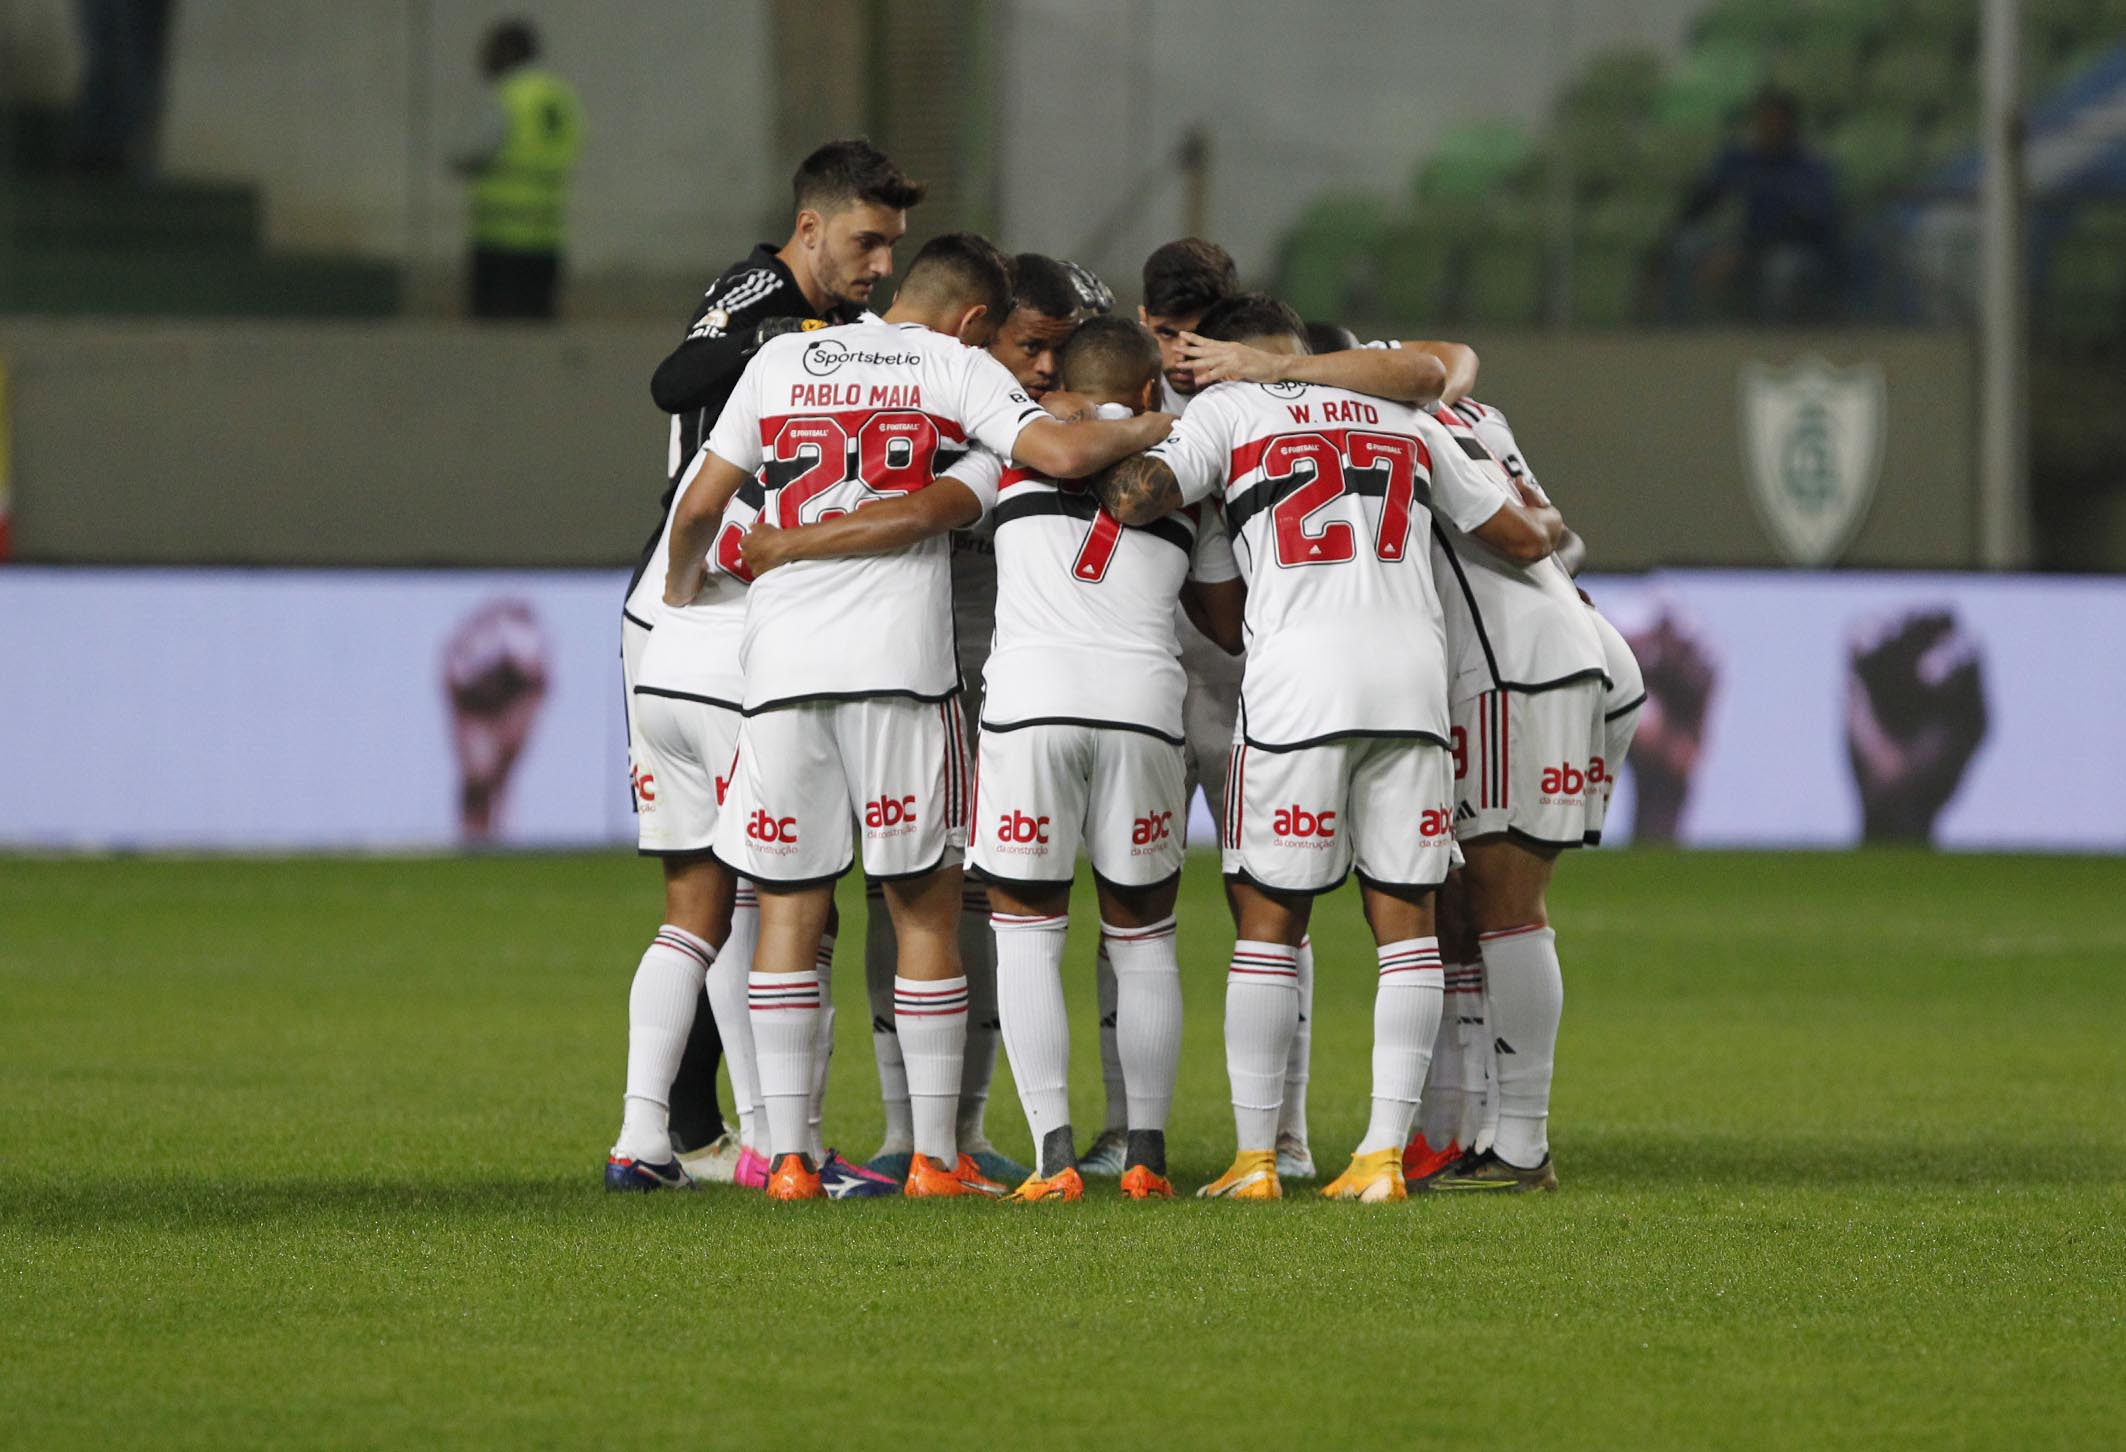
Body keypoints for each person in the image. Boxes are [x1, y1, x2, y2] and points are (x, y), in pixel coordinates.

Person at [665, 233, 1172, 1201]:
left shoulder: (781, 355)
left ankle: (790, 1160)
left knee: (787, 909)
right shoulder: (951, 368)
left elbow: (698, 502)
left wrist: (696, 586)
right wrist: (1157, 426)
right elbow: (1048, 456)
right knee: (925, 903)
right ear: (978, 319)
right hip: (900, 668)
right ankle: (937, 1154)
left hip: (779, 670)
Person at [1095, 293, 1564, 1202]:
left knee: (1270, 923)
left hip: (1297, 693)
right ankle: (1383, 1156)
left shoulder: (1228, 411)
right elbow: (1513, 532)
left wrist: (1142, 445)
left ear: (1229, 350)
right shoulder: (1401, 413)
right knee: (1406, 925)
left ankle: (1257, 1159)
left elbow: (1136, 497)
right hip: (1411, 691)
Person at [618, 138, 924, 1187]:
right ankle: (770, 1142)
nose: (878, 265)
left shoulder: (857, 333)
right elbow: (676, 379)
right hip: (705, 603)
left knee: (717, 898)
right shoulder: (761, 289)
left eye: (891, 248)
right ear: (809, 228)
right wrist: (800, 338)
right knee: (770, 889)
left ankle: (665, 1134)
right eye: (865, 241)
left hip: (745, 606)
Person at [860, 252, 1098, 1185]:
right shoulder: (922, 403)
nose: (1045, 370)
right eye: (1032, 347)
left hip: (1007, 682)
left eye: (1060, 353)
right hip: (917, 672)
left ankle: (963, 1125)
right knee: (905, 887)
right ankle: (903, 1128)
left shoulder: (1036, 422)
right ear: (982, 330)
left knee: (984, 893)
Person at [1395, 397, 1613, 1193]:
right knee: (1473, 901)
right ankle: (1488, 1127)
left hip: (1513, 672)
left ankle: (1520, 1142)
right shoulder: (1461, 416)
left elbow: (1529, 535)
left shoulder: (1407, 426)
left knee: (1506, 902)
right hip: (1547, 658)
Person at [1671, 87, 1840, 324]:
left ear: (1790, 125)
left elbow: (1804, 223)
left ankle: (1769, 336)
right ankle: (1681, 325)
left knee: (1781, 269)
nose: (1766, 127)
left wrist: (1743, 252)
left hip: (1795, 248)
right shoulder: (1743, 159)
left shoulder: (1809, 167)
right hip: (1745, 243)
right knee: (1687, 244)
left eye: (1773, 121)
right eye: (1761, 120)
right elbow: (1704, 199)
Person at [452, 20, 583, 320]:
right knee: (536, 325)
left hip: (498, 235)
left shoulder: (507, 95)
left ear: (509, 52)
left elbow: (475, 150)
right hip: (546, 231)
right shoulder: (559, 95)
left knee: (494, 333)